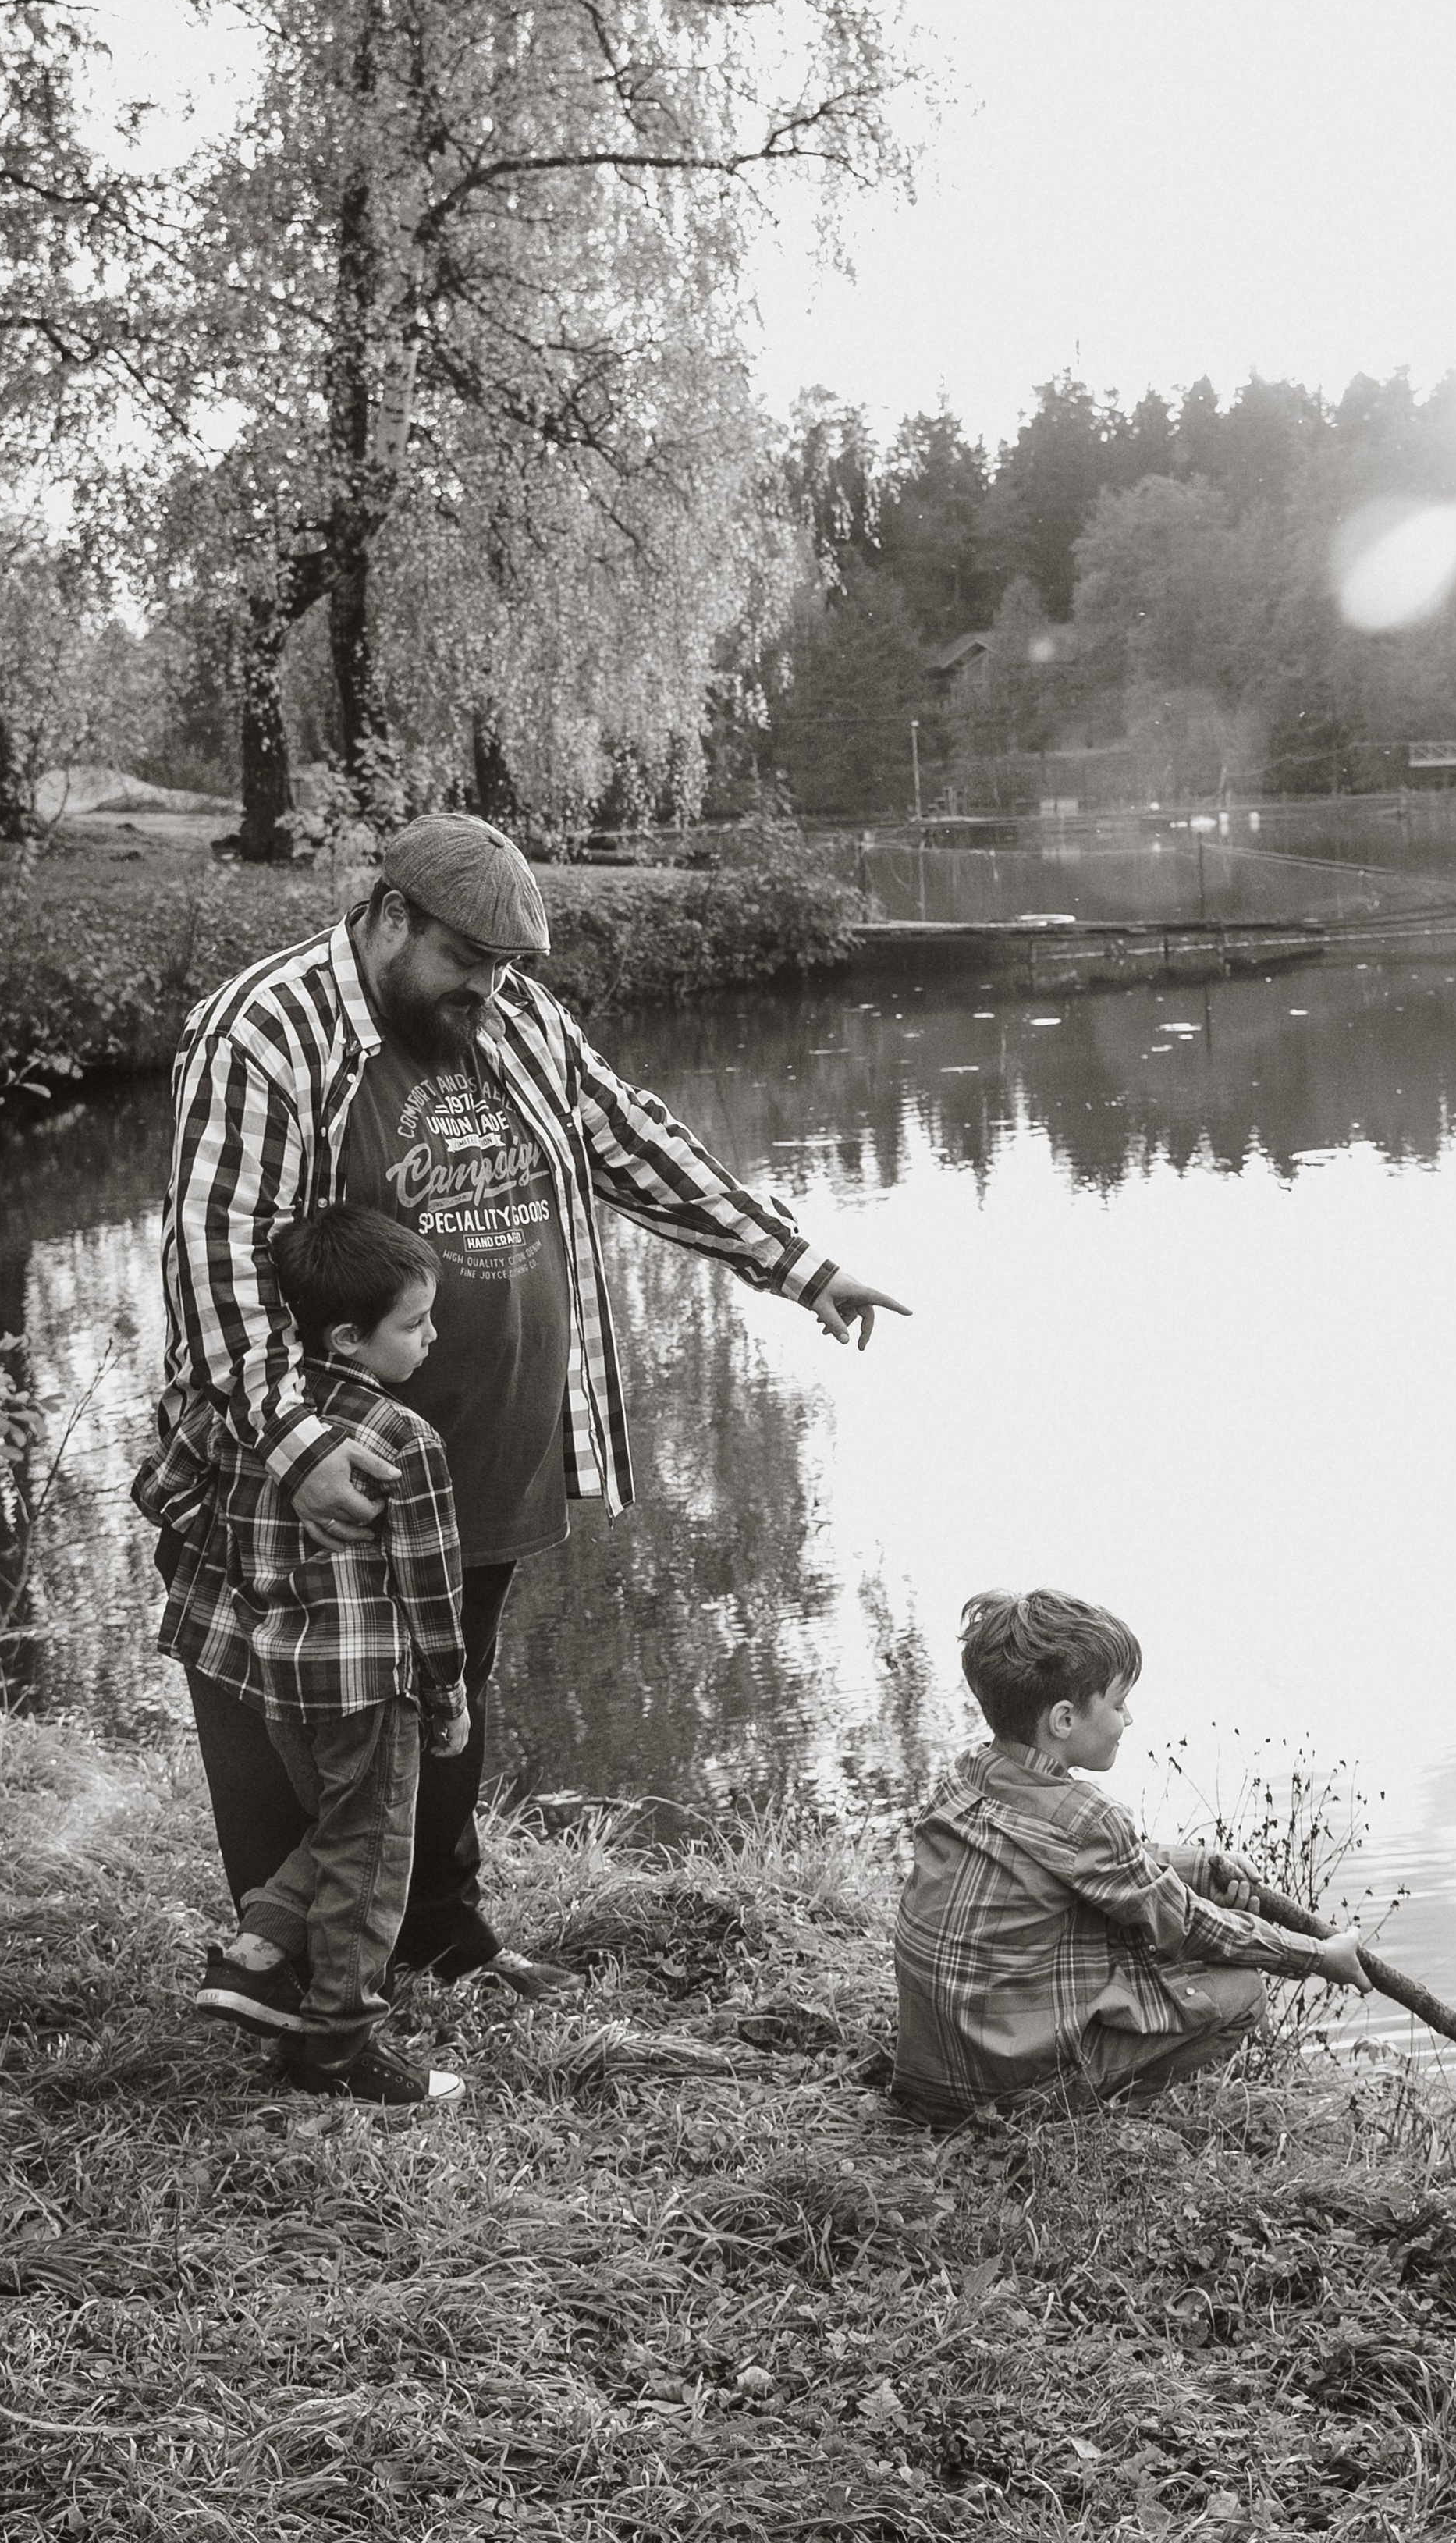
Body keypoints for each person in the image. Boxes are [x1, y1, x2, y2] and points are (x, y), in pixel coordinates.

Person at [151, 812, 907, 2012]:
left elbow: (633, 1140)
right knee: (304, 1709)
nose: (486, 990)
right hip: (323, 1464)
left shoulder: (510, 1018)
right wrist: (296, 1447)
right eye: (465, 960)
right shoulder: (268, 1030)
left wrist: (799, 1265)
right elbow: (217, 1263)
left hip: (486, 1456)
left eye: (507, 970)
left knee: (449, 1699)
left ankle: (440, 1934)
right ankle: (288, 1979)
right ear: (391, 915)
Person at [136, 1206, 471, 2104]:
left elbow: (157, 1493)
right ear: (349, 1337)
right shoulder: (406, 1442)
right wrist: (447, 1691)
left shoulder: (235, 1412)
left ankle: (250, 1961)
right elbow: (434, 1596)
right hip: (366, 1686)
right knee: (370, 1857)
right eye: (415, 1323)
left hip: (267, 1671)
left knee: (338, 1827)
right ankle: (337, 2044)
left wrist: (247, 1545)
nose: (433, 1336)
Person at [892, 1590, 1369, 2122]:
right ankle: (1074, 2113)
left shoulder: (969, 1774)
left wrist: (1198, 1867)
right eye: (1118, 1704)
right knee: (1243, 1991)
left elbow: (1091, 1859)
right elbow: (1185, 1925)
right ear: (1064, 1719)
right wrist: (1317, 1956)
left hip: (931, 2072)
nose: (1130, 1717)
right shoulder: (1089, 1820)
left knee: (1125, 1943)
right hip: (998, 2098)